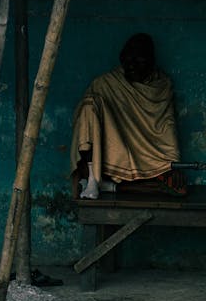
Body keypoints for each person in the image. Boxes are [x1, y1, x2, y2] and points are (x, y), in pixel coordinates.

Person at [70, 32, 185, 199]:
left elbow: (166, 127)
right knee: (89, 104)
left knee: (178, 189)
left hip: (150, 157)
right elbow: (84, 125)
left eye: (138, 61)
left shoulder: (162, 85)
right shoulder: (106, 84)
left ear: (151, 61)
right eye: (127, 61)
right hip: (113, 156)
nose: (131, 66)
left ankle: (110, 187)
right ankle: (94, 179)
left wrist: (174, 165)